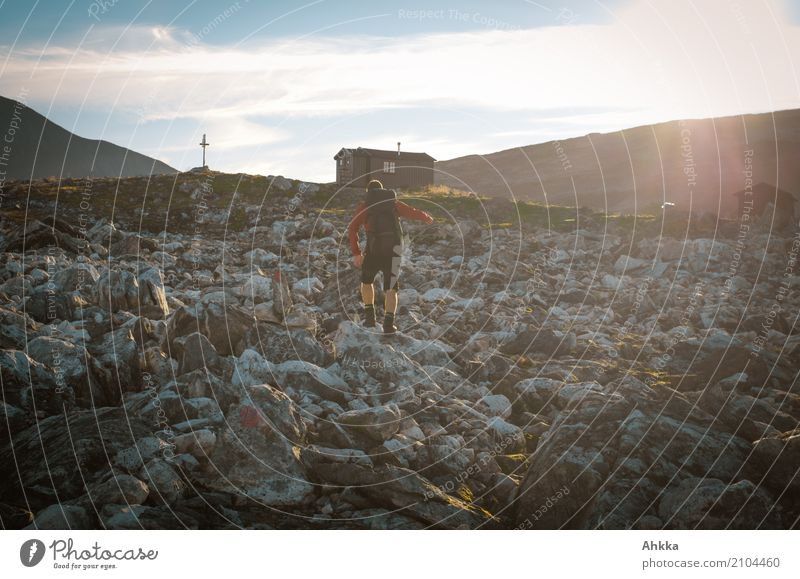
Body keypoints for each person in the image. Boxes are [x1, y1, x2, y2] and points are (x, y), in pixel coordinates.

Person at [348, 179, 434, 334]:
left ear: (369, 192)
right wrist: (426, 217)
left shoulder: (365, 205)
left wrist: (356, 253)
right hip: (393, 251)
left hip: (373, 251)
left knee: (366, 282)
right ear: (382, 190)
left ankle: (370, 318)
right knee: (391, 288)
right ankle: (388, 324)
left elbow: (352, 228)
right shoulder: (393, 203)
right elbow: (412, 212)